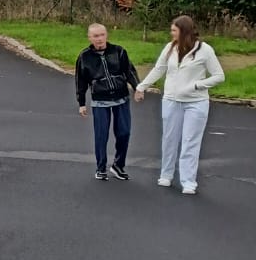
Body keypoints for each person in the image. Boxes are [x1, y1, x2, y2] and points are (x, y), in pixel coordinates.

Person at [135, 14, 225, 195]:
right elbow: (159, 69)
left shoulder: (204, 50)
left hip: (196, 102)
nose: (171, 33)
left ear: (184, 31)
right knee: (169, 139)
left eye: (174, 30)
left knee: (190, 141)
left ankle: (188, 181)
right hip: (171, 100)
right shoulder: (170, 48)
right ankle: (166, 174)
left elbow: (219, 76)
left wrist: (197, 85)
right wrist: (141, 86)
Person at [75, 23, 140, 180]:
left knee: (124, 133)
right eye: (96, 36)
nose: (99, 39)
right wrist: (81, 103)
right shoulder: (84, 57)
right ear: (89, 38)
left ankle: (118, 165)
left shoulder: (118, 51)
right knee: (101, 135)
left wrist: (138, 87)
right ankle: (101, 167)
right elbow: (80, 81)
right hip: (100, 100)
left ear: (107, 35)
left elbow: (129, 71)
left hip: (121, 98)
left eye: (102, 35)